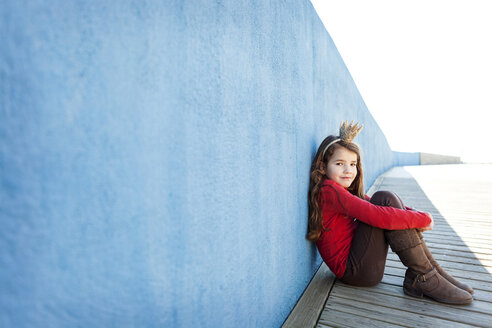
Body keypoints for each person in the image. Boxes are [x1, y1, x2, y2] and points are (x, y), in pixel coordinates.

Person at [306, 121, 473, 304]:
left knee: (386, 200)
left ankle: (431, 270)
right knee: (384, 199)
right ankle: (424, 276)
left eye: (353, 164)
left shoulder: (339, 190)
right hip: (355, 272)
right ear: (322, 167)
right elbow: (375, 214)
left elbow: (381, 208)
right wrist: (422, 219)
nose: (348, 170)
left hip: (360, 267)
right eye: (340, 163)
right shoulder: (329, 190)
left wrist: (416, 214)